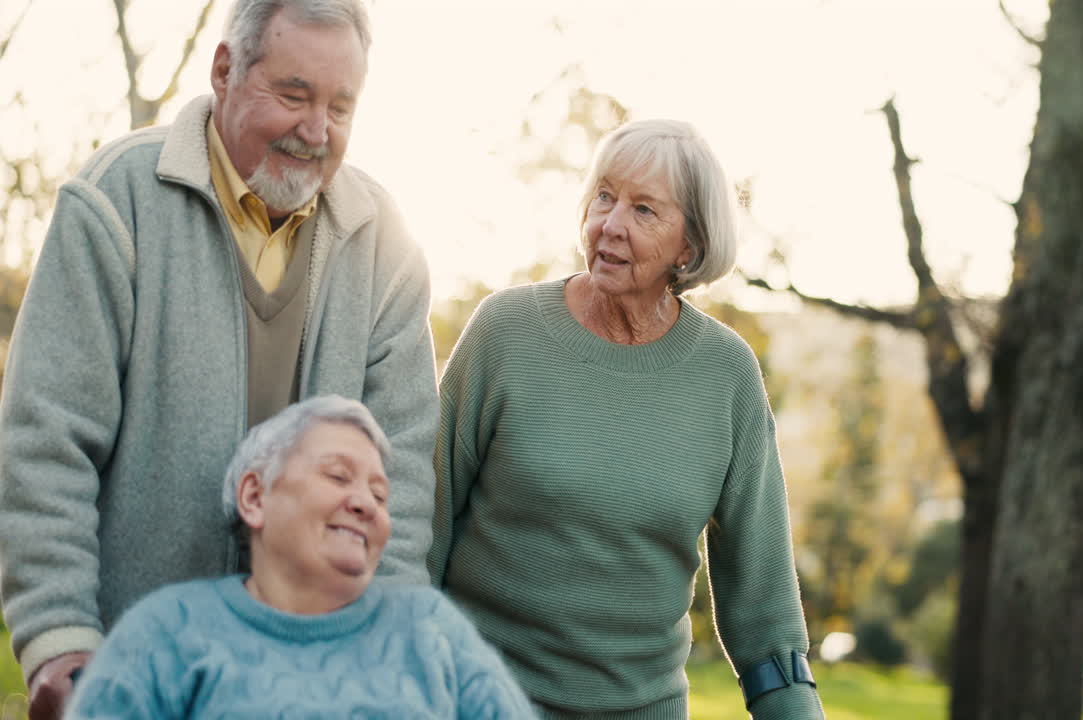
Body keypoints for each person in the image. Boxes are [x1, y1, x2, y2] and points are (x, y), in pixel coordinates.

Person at [0, 1, 438, 717]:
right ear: (225, 71)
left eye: (339, 107)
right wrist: (59, 634)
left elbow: (402, 481)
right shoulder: (116, 199)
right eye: (293, 95)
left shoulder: (387, 245)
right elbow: (47, 441)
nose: (316, 131)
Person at [427, 119, 824, 719]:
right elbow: (423, 525)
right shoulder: (505, 333)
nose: (610, 224)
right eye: (604, 196)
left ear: (689, 246)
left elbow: (765, 614)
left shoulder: (726, 374)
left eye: (643, 209)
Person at [62, 396, 534, 719]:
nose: (365, 504)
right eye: (338, 476)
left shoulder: (432, 630)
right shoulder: (165, 633)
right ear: (254, 496)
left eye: (380, 494)